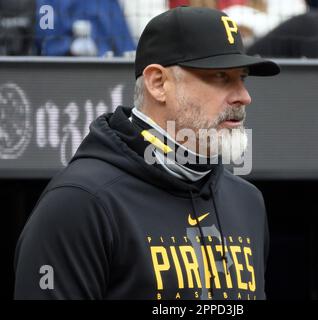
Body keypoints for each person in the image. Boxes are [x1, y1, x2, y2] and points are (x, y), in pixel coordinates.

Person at [14, 6, 279, 300]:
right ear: (158, 83)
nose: (244, 96)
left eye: (242, 77)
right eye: (220, 76)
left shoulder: (248, 202)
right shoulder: (80, 202)